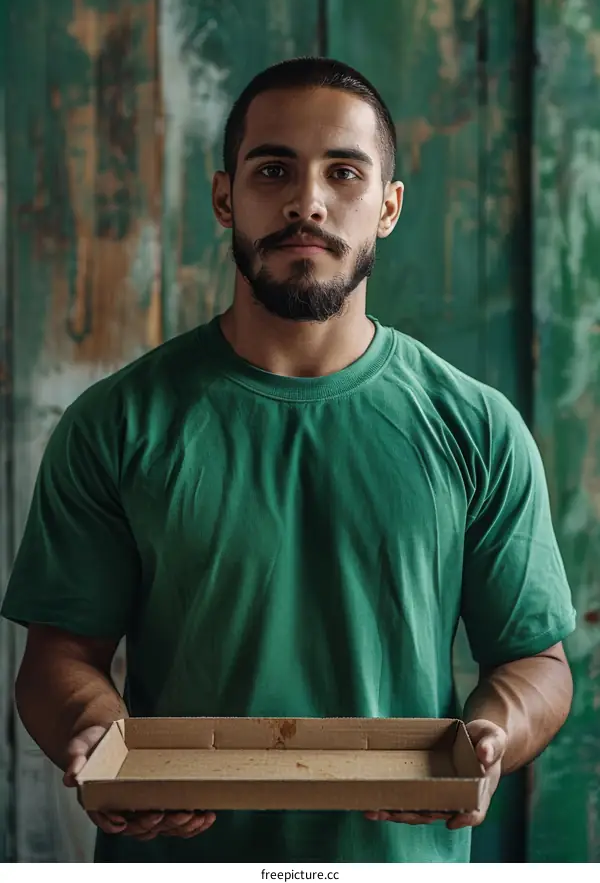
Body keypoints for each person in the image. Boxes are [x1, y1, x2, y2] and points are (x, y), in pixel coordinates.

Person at [2, 58, 575, 864]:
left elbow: (533, 662)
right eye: (273, 169)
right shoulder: (116, 424)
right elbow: (60, 659)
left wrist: (493, 733)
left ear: (388, 205)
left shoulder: (476, 427)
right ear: (224, 196)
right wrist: (97, 732)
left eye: (344, 172)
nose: (306, 200)